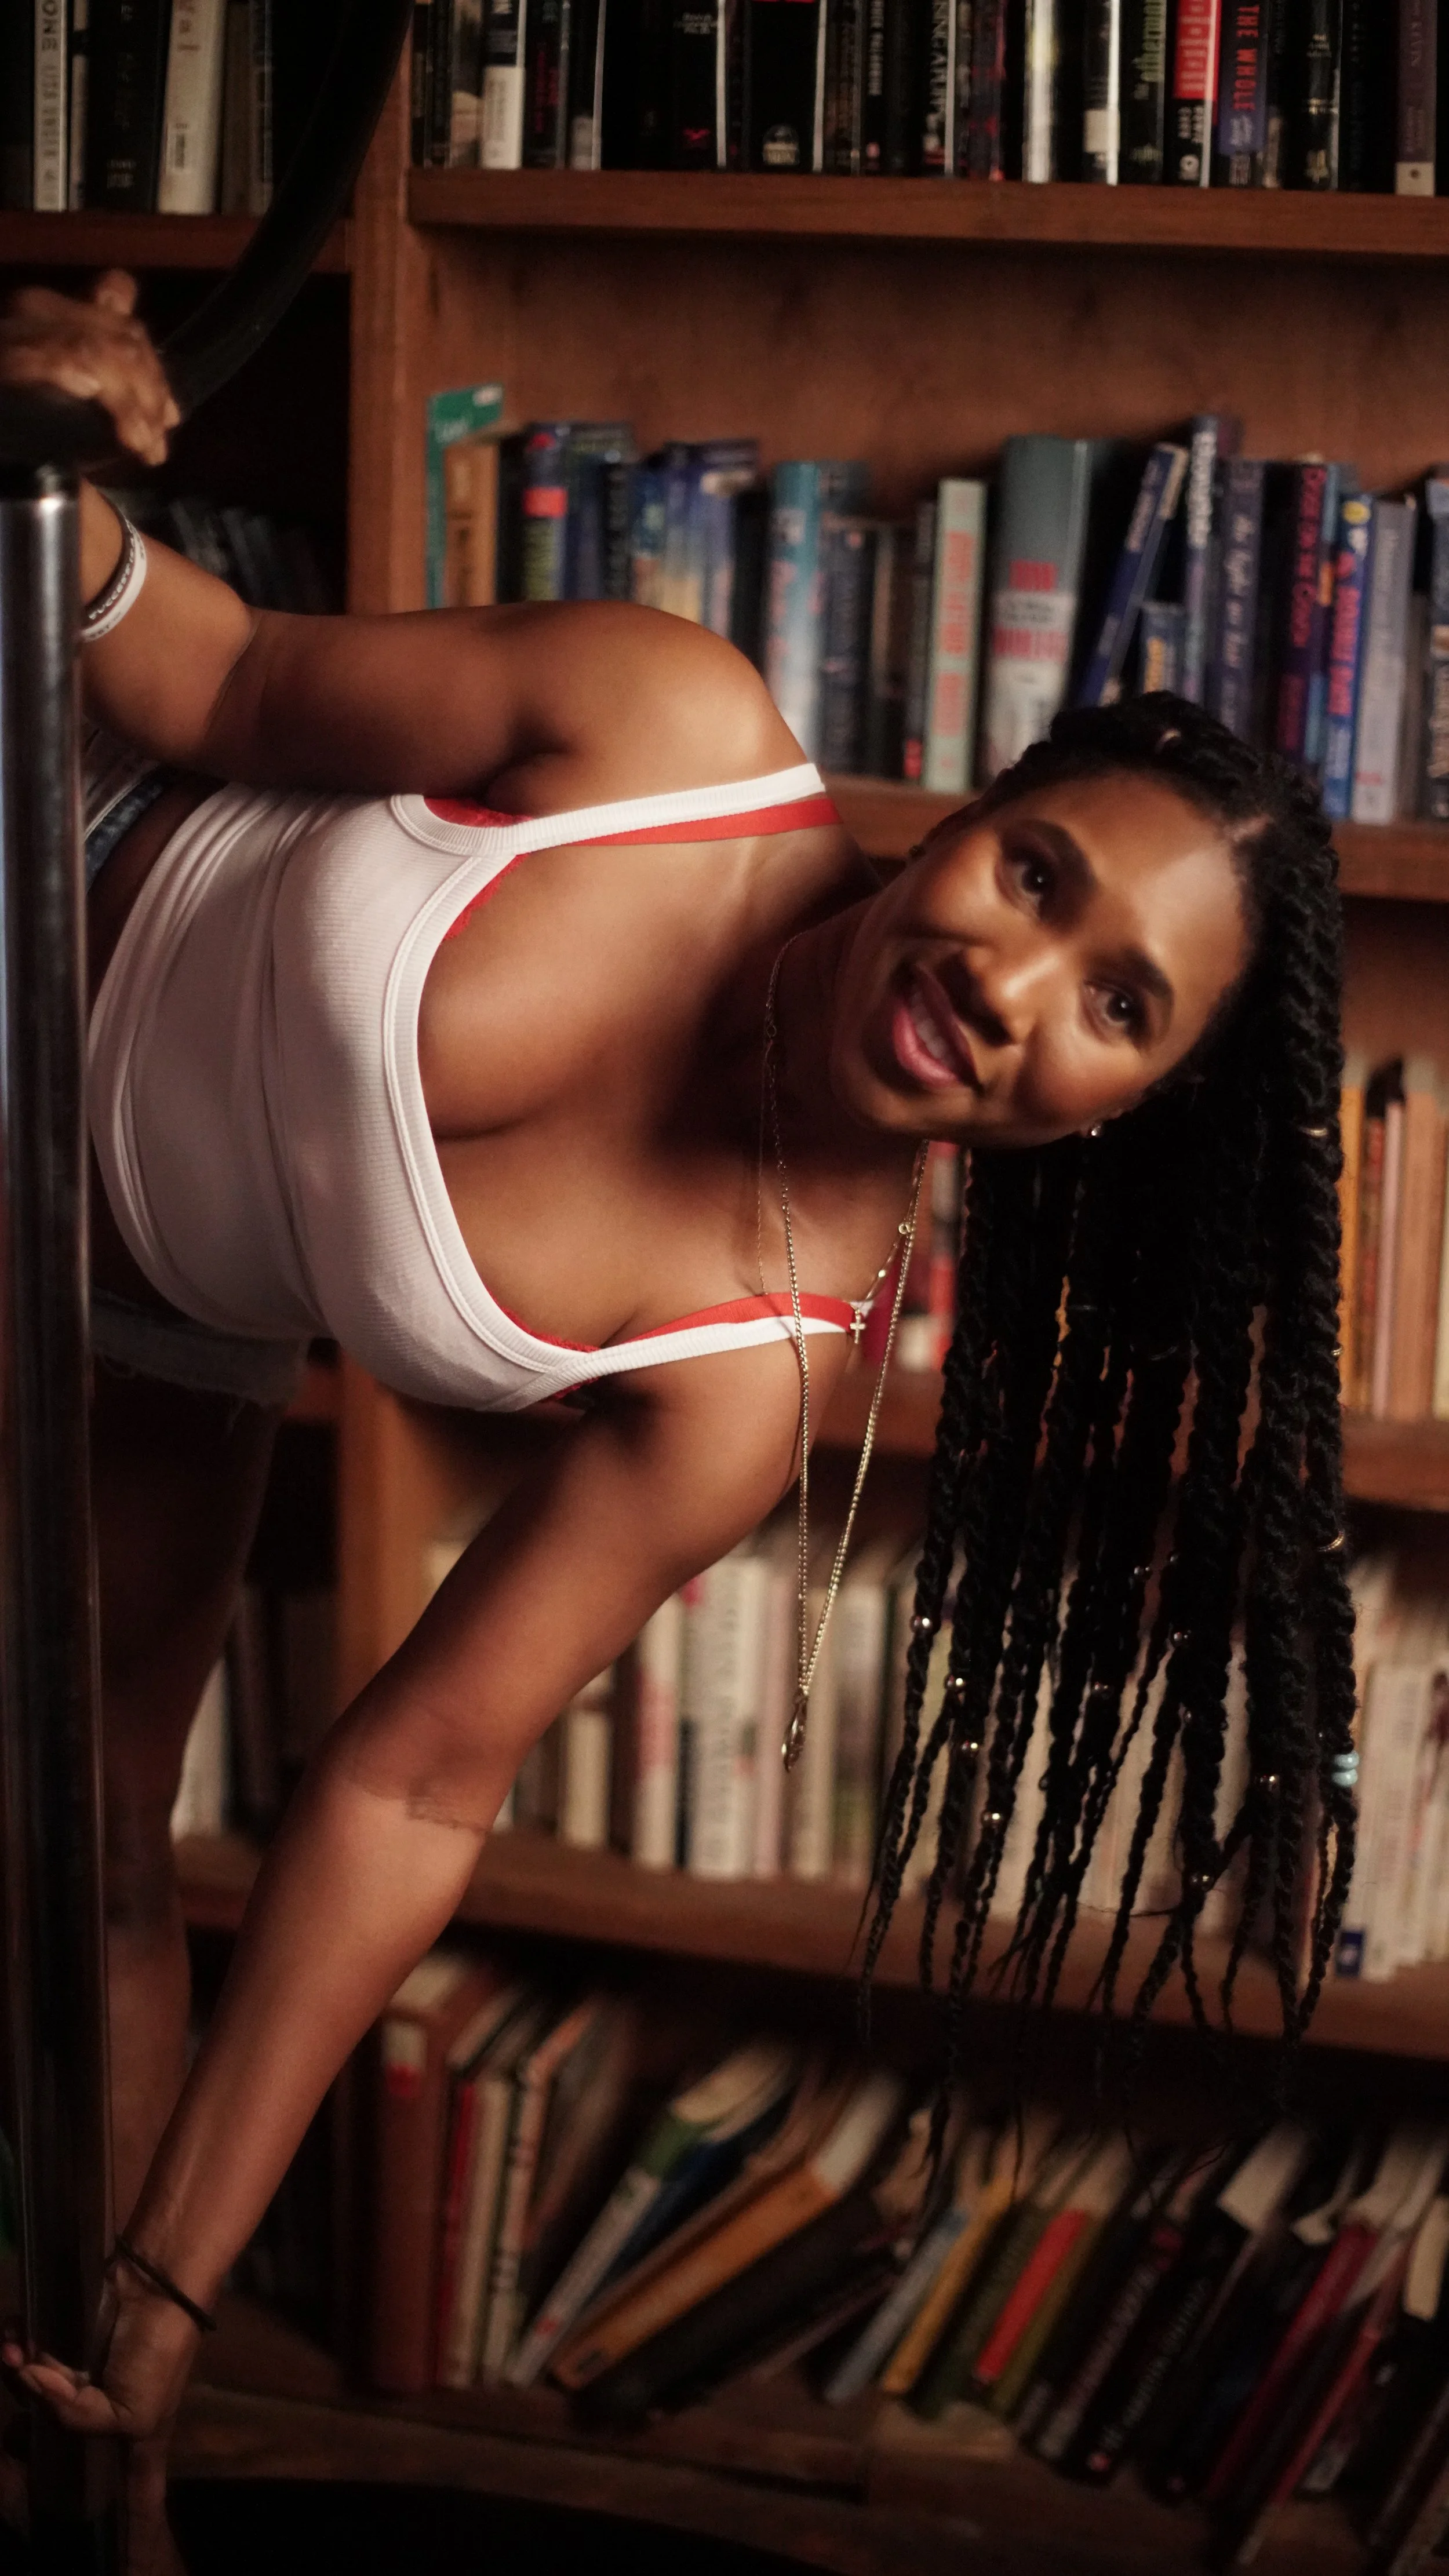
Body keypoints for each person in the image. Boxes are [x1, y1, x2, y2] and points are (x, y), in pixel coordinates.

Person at [0, 274, 1355, 2568]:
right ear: (972, 809)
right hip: (38, 885)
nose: (1004, 985)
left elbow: (414, 1783)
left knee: (98, 1860)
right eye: (1035, 874)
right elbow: (216, 678)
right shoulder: (669, 723)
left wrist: (170, 2290)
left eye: (1111, 1004)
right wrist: (81, 495)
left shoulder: (761, 1370)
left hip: (140, 1319)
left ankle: (104, 2445)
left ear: (1127, 1109)